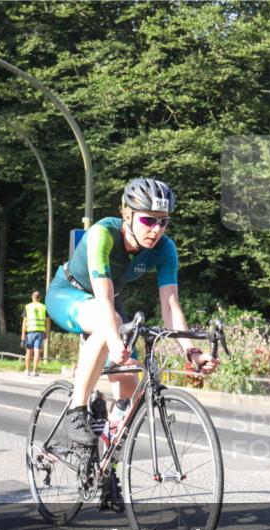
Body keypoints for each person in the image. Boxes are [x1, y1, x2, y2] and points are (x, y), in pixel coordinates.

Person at [45, 178, 219, 446]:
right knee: (110, 323)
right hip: (69, 293)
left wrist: (192, 353)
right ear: (127, 215)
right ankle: (75, 412)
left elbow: (171, 306)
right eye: (148, 220)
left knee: (129, 377)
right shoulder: (102, 233)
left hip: (109, 302)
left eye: (163, 222)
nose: (156, 230)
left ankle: (109, 444)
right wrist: (114, 340)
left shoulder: (165, 249)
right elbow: (103, 298)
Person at [21, 291, 50, 377]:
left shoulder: (28, 307)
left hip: (30, 331)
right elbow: (48, 322)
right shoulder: (44, 307)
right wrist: (47, 332)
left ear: (32, 297)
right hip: (40, 331)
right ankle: (34, 371)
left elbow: (24, 322)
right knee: (37, 351)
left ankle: (27, 370)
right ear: (40, 298)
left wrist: (23, 334)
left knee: (29, 351)